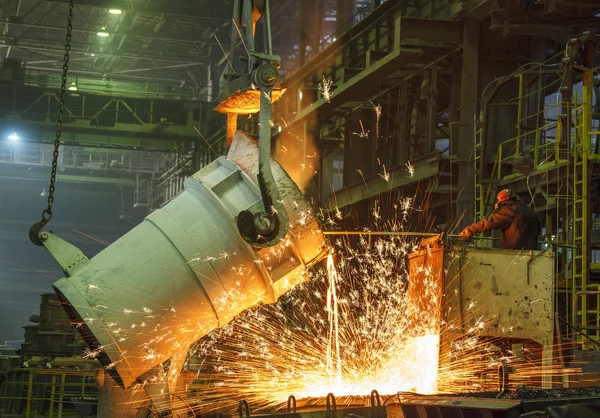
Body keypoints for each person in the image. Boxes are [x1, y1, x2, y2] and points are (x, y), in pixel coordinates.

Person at [459, 189, 541, 250]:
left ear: (505, 202)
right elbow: (539, 230)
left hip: (513, 253)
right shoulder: (530, 210)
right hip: (532, 252)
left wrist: (470, 230)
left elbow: (489, 222)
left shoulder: (510, 211)